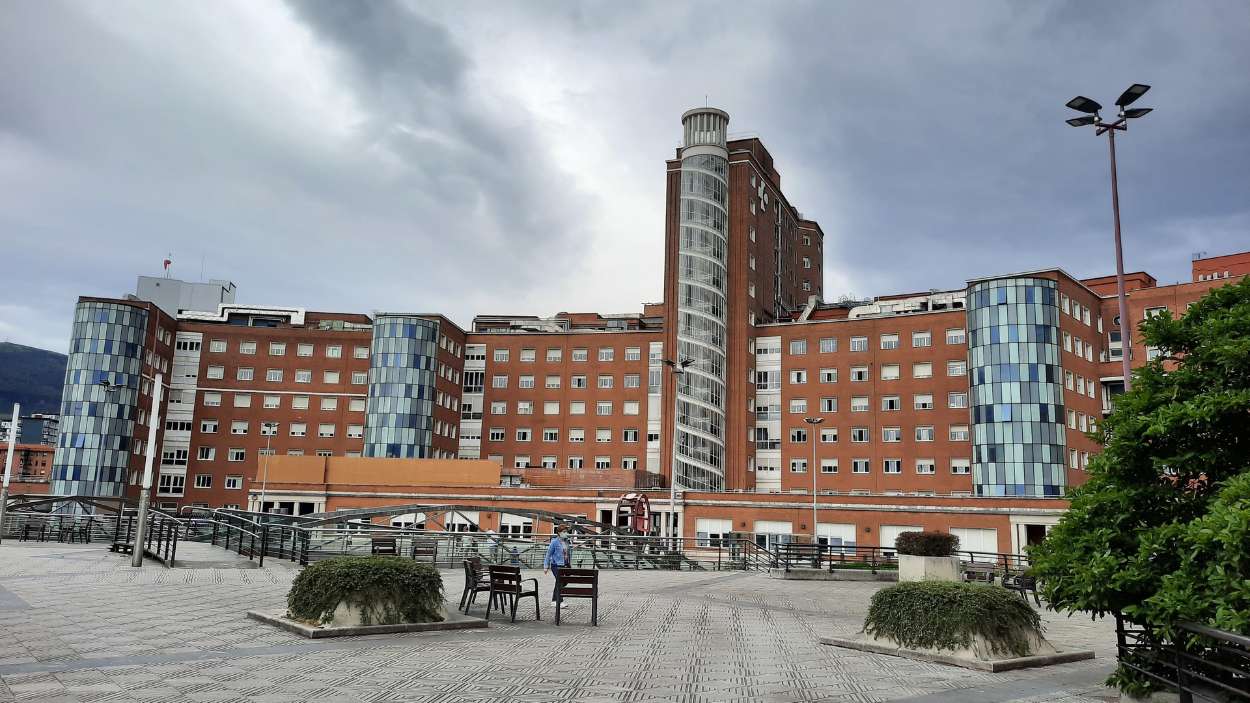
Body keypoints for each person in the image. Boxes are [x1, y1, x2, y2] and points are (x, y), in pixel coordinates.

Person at [543, 525, 570, 605]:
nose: (566, 533)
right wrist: (546, 566)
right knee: (560, 581)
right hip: (556, 565)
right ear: (559, 533)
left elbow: (568, 553)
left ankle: (554, 600)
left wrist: (569, 563)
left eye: (566, 532)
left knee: (563, 581)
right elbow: (548, 554)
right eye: (564, 532)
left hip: (566, 564)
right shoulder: (554, 542)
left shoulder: (567, 541)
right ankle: (559, 601)